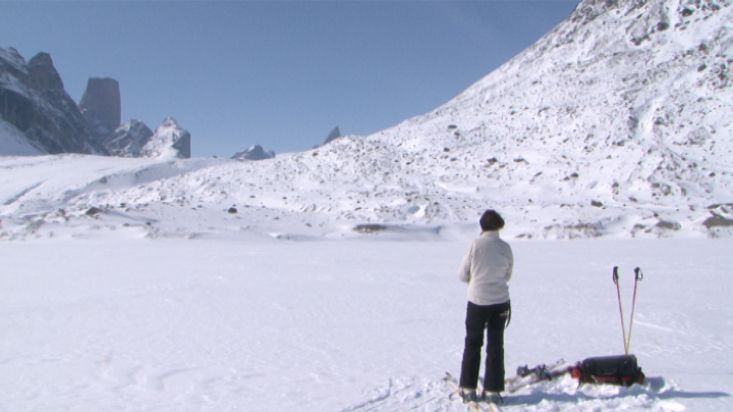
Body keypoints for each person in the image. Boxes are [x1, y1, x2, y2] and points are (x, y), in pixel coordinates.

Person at [457, 209, 513, 404]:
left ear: (482, 227)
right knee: (496, 346)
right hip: (500, 302)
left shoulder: (475, 245)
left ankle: (468, 388)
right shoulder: (505, 248)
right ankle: (493, 391)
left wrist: (476, 281)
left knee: (473, 343)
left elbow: (463, 273)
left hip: (477, 301)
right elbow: (507, 274)